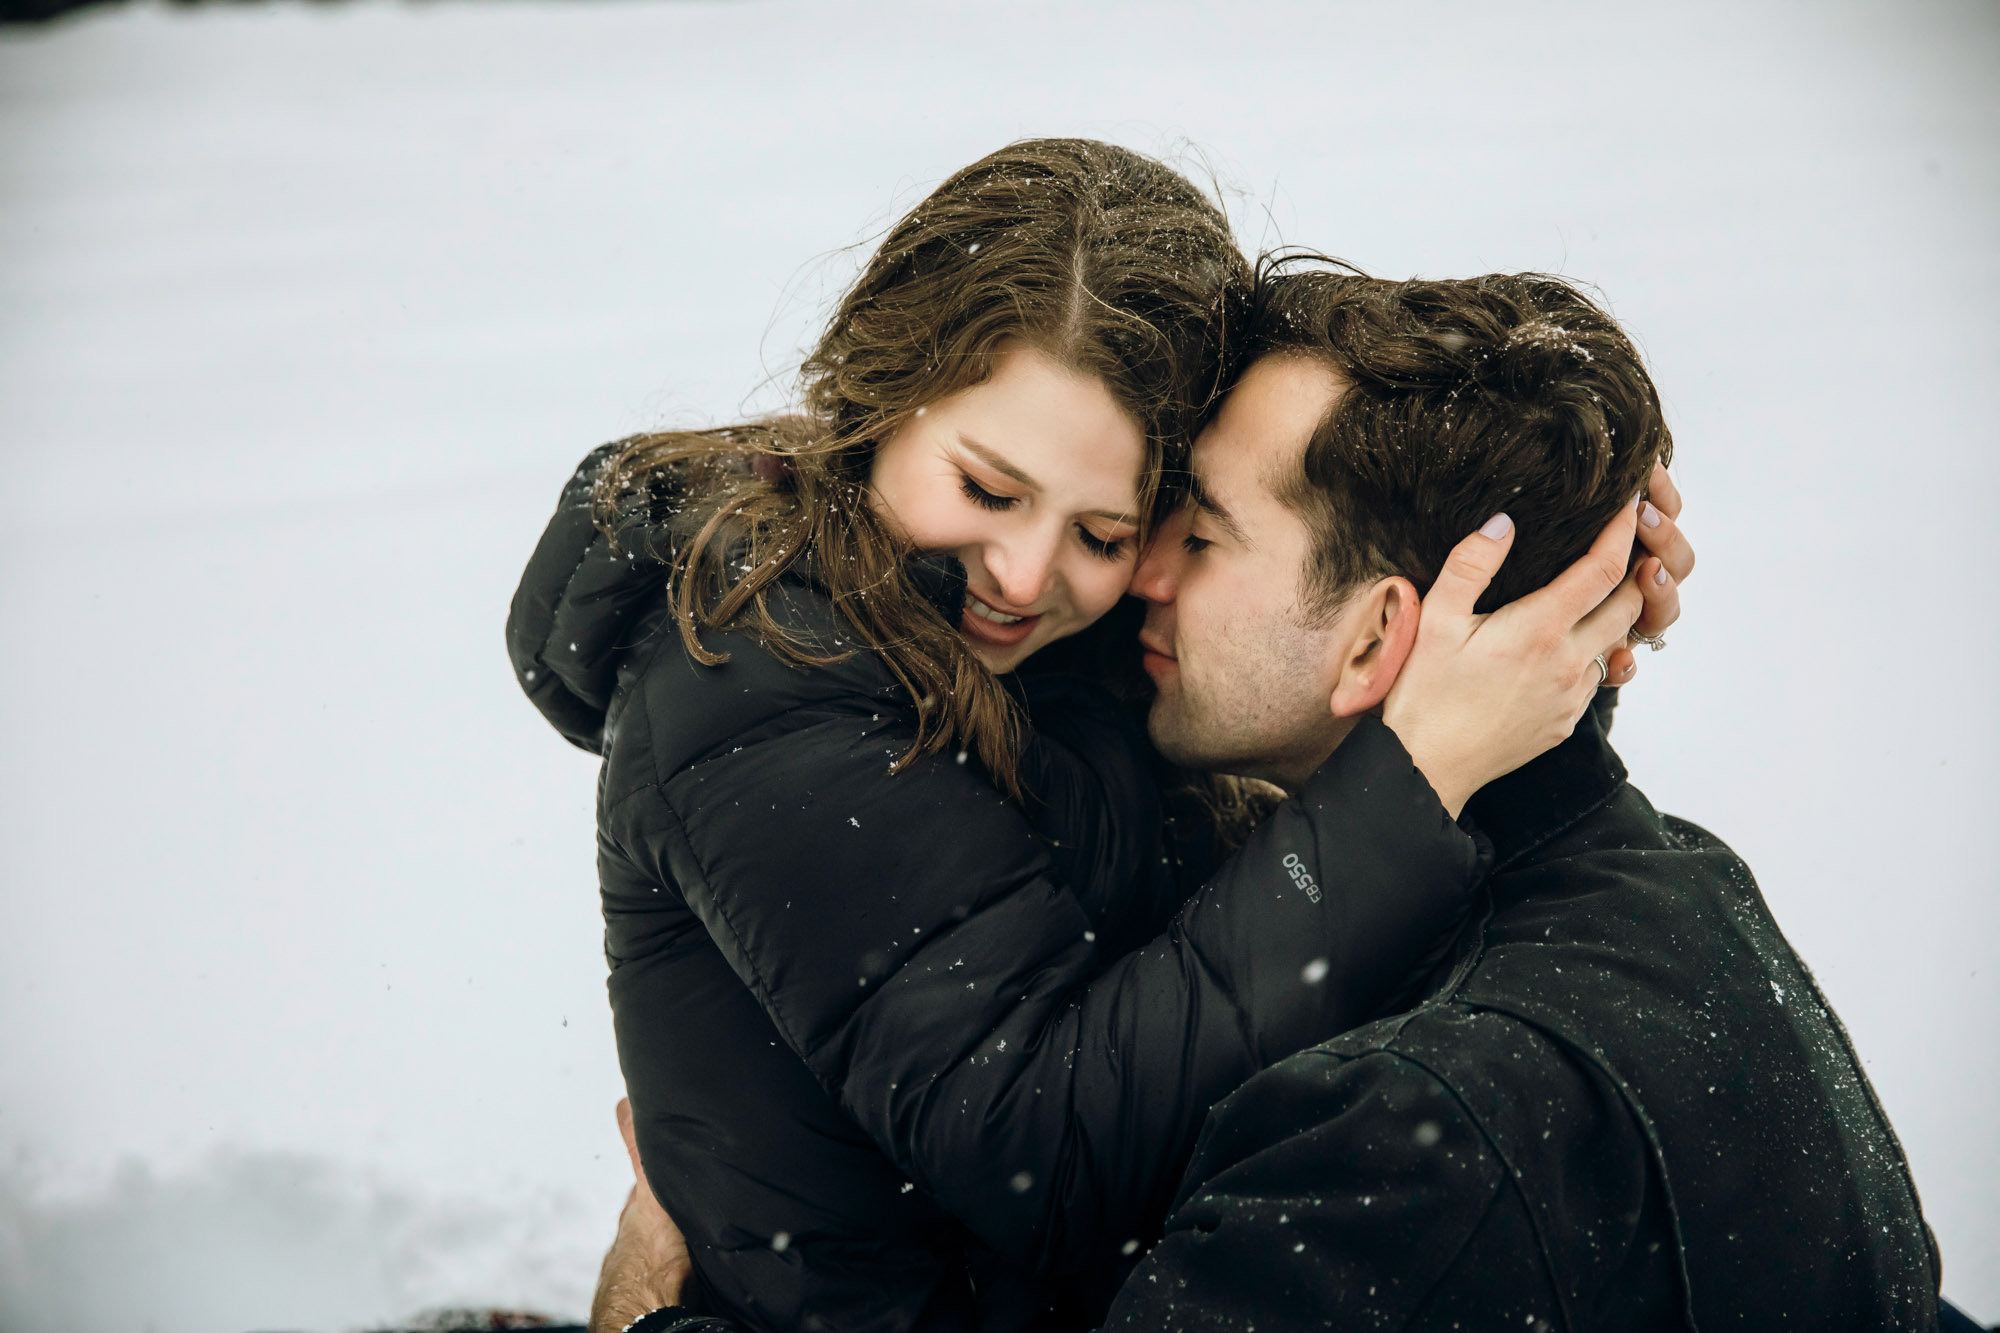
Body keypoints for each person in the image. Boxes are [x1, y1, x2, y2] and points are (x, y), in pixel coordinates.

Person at [588, 264, 1942, 1331]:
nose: (1135, 583)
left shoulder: (1416, 1135)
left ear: (1373, 644)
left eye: (1197, 533)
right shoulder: (1668, 886)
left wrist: (658, 1306)